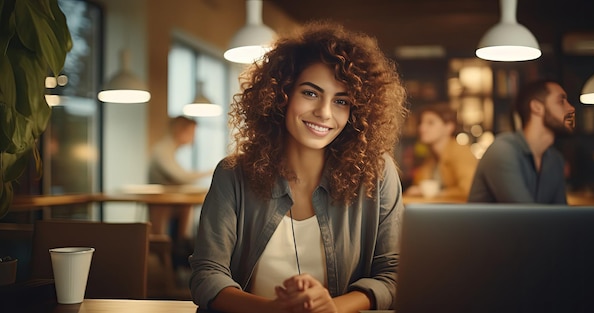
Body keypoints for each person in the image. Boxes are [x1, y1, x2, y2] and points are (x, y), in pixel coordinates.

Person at [189, 21, 407, 313]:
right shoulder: (233, 175)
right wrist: (272, 309)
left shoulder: (377, 174)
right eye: (311, 93)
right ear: (281, 94)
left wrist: (334, 308)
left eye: (341, 101)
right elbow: (206, 276)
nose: (324, 113)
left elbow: (394, 274)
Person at [468, 79, 575, 203]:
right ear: (537, 107)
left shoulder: (555, 160)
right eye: (561, 101)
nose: (571, 108)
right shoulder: (502, 151)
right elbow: (525, 217)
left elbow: (562, 218)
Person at [147, 116, 212, 261]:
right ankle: (174, 260)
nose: (194, 137)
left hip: (168, 205)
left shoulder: (168, 150)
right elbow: (181, 176)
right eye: (192, 132)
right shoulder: (163, 150)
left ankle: (178, 256)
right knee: (166, 240)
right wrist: (212, 171)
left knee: (186, 208)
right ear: (181, 131)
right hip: (161, 205)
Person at [403, 103, 477, 200]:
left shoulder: (460, 152)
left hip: (460, 213)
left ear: (449, 127)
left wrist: (437, 194)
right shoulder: (431, 157)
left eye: (430, 123)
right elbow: (420, 185)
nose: (422, 128)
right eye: (421, 123)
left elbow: (467, 189)